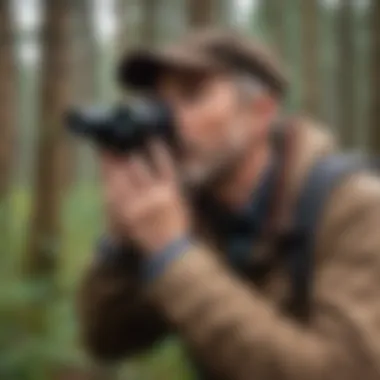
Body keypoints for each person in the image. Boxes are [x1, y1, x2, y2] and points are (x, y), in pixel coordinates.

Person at [77, 29, 380, 380]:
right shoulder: (189, 211)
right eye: (160, 104)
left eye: (192, 96)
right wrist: (121, 244)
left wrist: (173, 254)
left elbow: (347, 372)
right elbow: (106, 339)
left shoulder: (356, 208)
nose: (167, 122)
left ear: (261, 112)